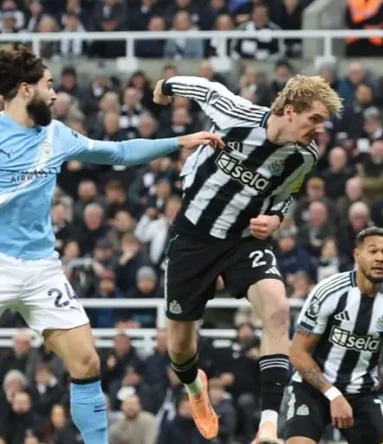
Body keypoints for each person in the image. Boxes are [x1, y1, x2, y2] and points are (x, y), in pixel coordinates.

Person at [0, 45, 222, 444]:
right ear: (25, 90)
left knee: (87, 361)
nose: (56, 95)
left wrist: (180, 141)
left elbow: (118, 152)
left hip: (39, 269)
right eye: (49, 86)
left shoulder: (56, 135)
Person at [151, 73, 342, 444]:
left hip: (242, 241)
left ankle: (269, 426)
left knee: (278, 309)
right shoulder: (238, 114)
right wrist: (162, 88)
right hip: (192, 237)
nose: (319, 130)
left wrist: (275, 219)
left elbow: (285, 196)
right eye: (314, 119)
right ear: (289, 110)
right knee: (179, 348)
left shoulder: (304, 155)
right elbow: (203, 88)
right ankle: (195, 388)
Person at [284, 227, 383, 444]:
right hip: (313, 388)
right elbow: (297, 353)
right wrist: (333, 395)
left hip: (360, 393)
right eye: (373, 251)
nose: (380, 258)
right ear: (357, 255)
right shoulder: (329, 292)